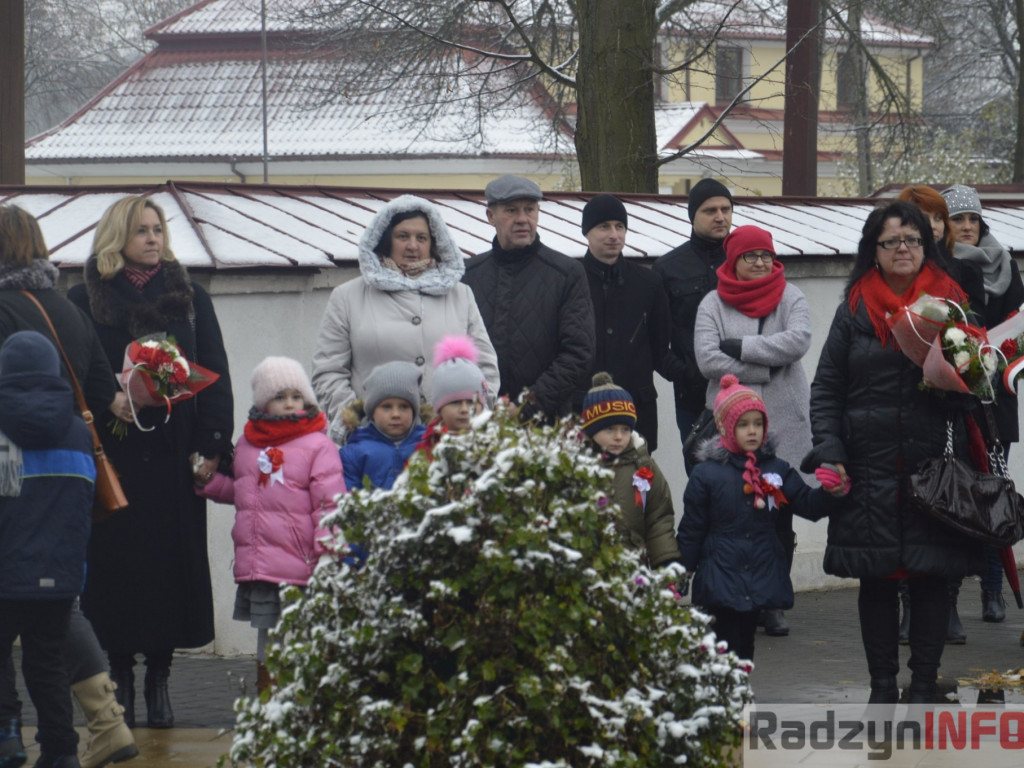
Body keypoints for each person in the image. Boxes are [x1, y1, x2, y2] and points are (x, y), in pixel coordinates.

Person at [801, 200, 985, 704]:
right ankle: (882, 686)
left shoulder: (952, 304)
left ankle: (924, 684)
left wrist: (960, 377)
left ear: (926, 247)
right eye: (892, 241)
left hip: (933, 468)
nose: (903, 249)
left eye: (913, 240)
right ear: (874, 251)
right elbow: (826, 389)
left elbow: (975, 387)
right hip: (869, 466)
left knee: (931, 578)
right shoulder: (855, 309)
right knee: (877, 580)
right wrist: (831, 450)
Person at [67, 196, 235, 730]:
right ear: (117, 236)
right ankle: (119, 677)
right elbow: (75, 371)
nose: (153, 239)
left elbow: (214, 370)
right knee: (115, 573)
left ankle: (159, 679)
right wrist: (106, 400)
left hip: (171, 455)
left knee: (167, 571)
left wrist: (211, 443)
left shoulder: (189, 298)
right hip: (113, 456)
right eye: (141, 230)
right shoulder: (82, 298)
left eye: (157, 229)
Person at [0, 206, 137, 767]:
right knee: (55, 614)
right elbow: (109, 394)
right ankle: (102, 725)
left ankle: (11, 736)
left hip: (13, 476)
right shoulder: (69, 310)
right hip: (69, 476)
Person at [195, 357, 346, 693]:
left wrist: (328, 551)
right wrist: (209, 484)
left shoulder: (318, 445)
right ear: (264, 401)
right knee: (269, 636)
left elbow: (329, 503)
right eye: (280, 397)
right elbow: (247, 493)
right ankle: (270, 699)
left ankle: (308, 699)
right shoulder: (248, 445)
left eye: (296, 395)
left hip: (303, 563)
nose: (290, 402)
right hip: (264, 564)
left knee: (307, 635)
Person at [693, 224, 813, 638]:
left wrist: (740, 350)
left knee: (779, 513)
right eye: (750, 256)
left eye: (766, 255)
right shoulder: (712, 302)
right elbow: (708, 359)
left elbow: (798, 341)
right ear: (734, 261)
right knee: (726, 512)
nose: (760, 262)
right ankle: (721, 595)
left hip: (783, 420)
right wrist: (767, 366)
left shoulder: (791, 296)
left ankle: (771, 599)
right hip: (730, 424)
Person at [677, 374, 839, 663]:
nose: (752, 431)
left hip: (759, 576)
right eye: (743, 424)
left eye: (758, 423)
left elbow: (807, 504)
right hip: (720, 576)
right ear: (726, 428)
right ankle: (722, 701)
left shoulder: (776, 469)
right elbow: (692, 530)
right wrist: (682, 572)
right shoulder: (707, 475)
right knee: (723, 646)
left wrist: (830, 490)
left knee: (746, 647)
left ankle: (739, 702)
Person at [312, 195, 498, 441]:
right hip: (374, 440)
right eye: (403, 236)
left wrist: (471, 418)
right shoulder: (347, 297)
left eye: (421, 238)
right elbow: (328, 371)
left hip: (448, 440)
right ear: (385, 240)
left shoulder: (460, 295)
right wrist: (358, 422)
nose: (413, 246)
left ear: (435, 243)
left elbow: (485, 368)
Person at [895, 185, 989, 644]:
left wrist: (962, 367)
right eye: (920, 217)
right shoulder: (889, 274)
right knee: (909, 510)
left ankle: (949, 604)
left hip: (953, 410)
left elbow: (979, 336)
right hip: (902, 407)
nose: (930, 226)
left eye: (936, 217)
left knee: (952, 507)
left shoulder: (964, 270)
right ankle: (910, 607)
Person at [0, 331, 95, 768]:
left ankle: (7, 739)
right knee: (48, 664)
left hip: (5, 572)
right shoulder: (77, 430)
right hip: (60, 573)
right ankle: (61, 752)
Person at [942, 184, 1024, 631]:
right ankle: (948, 599)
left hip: (995, 401)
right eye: (958, 220)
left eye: (973, 218)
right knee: (953, 502)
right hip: (950, 401)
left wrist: (998, 358)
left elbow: (1018, 326)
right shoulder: (938, 265)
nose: (968, 226)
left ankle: (993, 590)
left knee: (993, 499)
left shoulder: (1005, 265)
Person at [463, 175, 594, 422]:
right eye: (511, 211)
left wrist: (527, 405)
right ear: (490, 216)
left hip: (546, 424)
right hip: (477, 421)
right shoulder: (467, 276)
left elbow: (578, 353)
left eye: (530, 210)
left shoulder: (566, 274)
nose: (523, 219)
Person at [575, 194, 673, 452]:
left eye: (620, 226)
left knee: (638, 488)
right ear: (587, 232)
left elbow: (660, 347)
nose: (613, 234)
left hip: (637, 410)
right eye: (603, 226)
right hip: (584, 408)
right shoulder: (570, 281)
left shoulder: (648, 283)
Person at [652, 178, 734, 445]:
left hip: (745, 392)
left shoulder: (747, 261)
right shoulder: (668, 269)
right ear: (693, 216)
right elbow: (655, 340)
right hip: (693, 400)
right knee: (701, 478)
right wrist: (685, 375)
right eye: (710, 211)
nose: (720, 217)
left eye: (726, 209)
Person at [580, 373, 681, 569]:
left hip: (633, 567)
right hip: (588, 570)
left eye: (625, 429)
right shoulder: (577, 466)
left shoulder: (643, 465)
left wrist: (665, 561)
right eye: (610, 429)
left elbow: (658, 516)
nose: (618, 437)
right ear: (591, 430)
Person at [339, 361, 426, 491]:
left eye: (404, 406)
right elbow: (348, 499)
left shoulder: (429, 446)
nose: (396, 414)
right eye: (386, 407)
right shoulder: (354, 452)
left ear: (414, 412)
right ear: (372, 412)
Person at [417, 335, 490, 460]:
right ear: (439, 409)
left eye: (472, 402)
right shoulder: (428, 448)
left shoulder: (493, 445)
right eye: (455, 402)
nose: (464, 409)